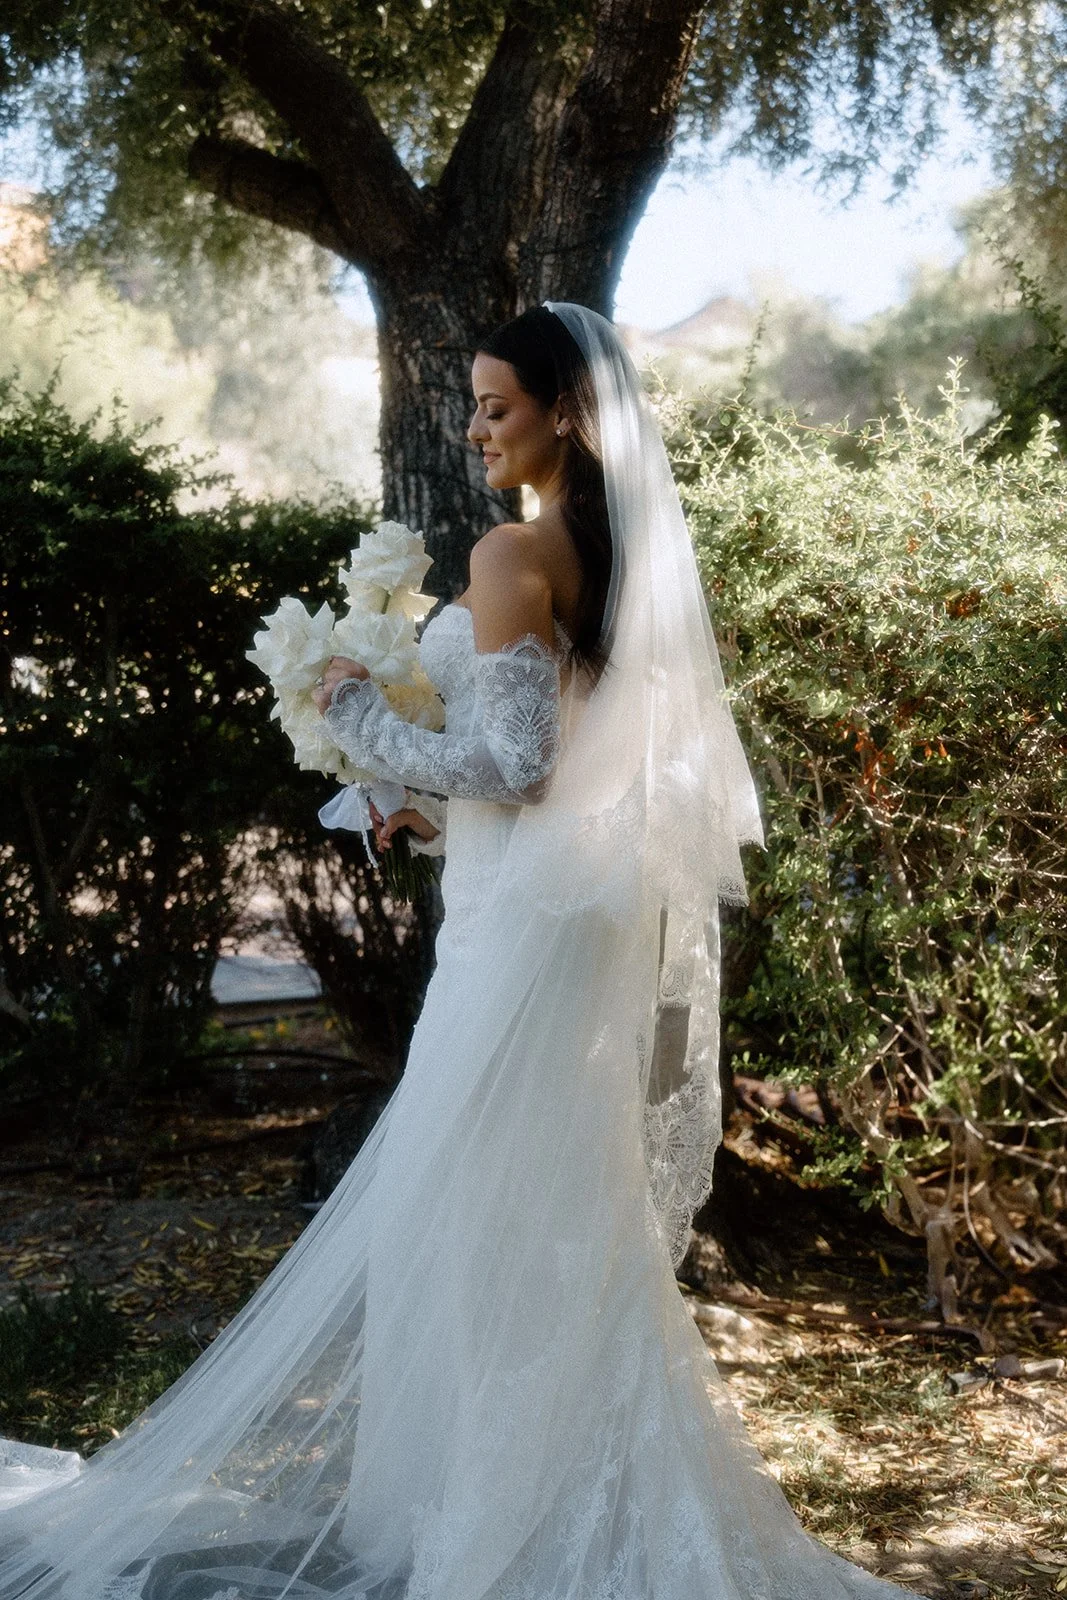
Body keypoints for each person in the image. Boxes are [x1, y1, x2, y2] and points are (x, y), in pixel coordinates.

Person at [0, 304, 930, 1600]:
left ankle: (505, 1531)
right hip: (562, 904)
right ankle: (556, 1497)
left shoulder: (510, 553)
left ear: (565, 411)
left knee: (464, 1218)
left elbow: (512, 763)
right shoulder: (611, 556)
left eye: (497, 404)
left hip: (527, 933)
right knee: (545, 1206)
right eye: (473, 404)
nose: (476, 427)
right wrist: (416, 805)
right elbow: (541, 784)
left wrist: (353, 713)